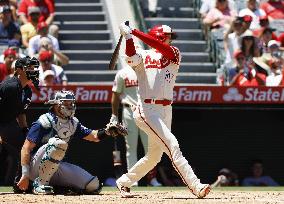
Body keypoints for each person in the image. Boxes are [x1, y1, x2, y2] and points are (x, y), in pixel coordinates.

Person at [115, 21, 211, 198]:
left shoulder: (174, 53)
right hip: (147, 109)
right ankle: (196, 186)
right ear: (159, 36)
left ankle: (124, 181)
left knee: (154, 157)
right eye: (168, 36)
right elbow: (130, 55)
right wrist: (128, 37)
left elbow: (160, 47)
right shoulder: (143, 55)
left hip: (166, 109)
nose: (171, 40)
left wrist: (134, 31)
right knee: (173, 145)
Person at [15, 90, 128, 194]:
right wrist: (25, 174)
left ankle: (59, 187)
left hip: (57, 166)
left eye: (71, 103)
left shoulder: (73, 123)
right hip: (35, 168)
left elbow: (94, 136)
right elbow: (26, 148)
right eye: (66, 103)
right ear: (56, 105)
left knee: (93, 185)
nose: (70, 106)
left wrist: (107, 131)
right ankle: (40, 184)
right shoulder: (44, 121)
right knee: (58, 144)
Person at [110, 65, 162, 186]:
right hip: (128, 111)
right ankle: (133, 180)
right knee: (131, 148)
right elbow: (115, 95)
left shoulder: (149, 72)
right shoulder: (122, 73)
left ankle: (152, 179)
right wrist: (114, 116)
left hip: (146, 112)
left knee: (150, 148)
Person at [0, 56, 40, 185]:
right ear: (19, 70)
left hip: (9, 124)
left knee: (26, 149)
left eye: (33, 68)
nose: (33, 71)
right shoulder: (9, 86)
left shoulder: (27, 90)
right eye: (29, 68)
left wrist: (25, 130)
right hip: (3, 124)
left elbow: (21, 113)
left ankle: (21, 183)